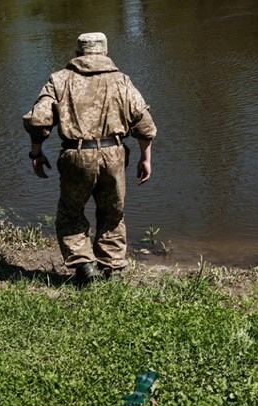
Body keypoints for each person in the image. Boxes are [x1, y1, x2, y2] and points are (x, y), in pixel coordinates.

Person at [23, 32, 157, 284]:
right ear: (105, 53)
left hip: (76, 155)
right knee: (112, 213)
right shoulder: (122, 80)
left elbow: (38, 120)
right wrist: (145, 158)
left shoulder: (59, 79)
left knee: (71, 212)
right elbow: (145, 124)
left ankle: (84, 265)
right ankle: (112, 269)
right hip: (114, 154)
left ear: (77, 54)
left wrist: (36, 152)